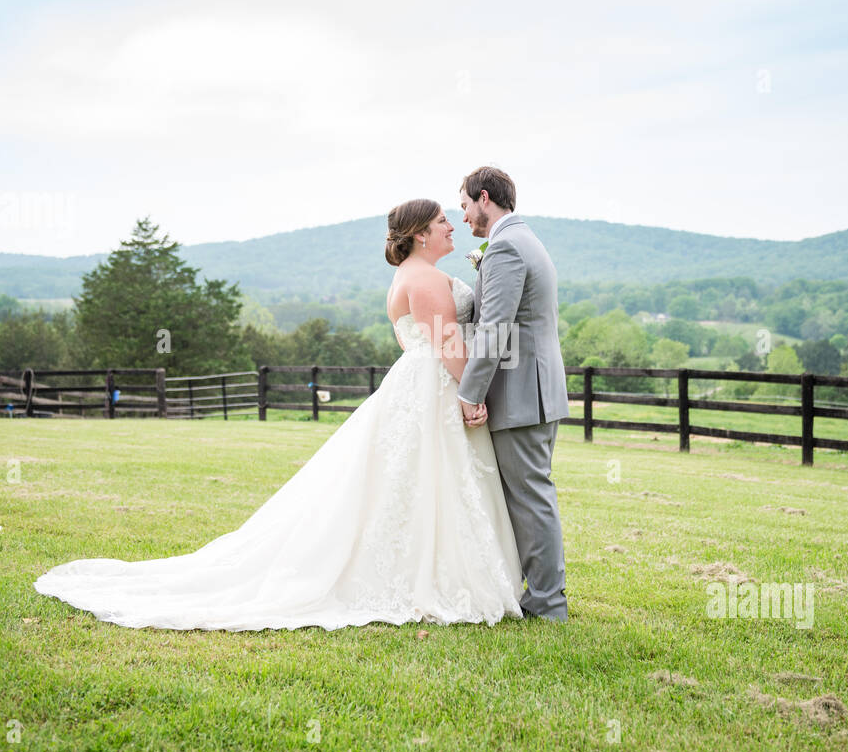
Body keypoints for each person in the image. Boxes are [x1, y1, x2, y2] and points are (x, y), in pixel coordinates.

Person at [34, 198, 525, 631]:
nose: (450, 227)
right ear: (421, 234)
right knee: (423, 480)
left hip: (411, 383)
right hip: (433, 386)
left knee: (404, 482)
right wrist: (470, 392)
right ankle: (431, 576)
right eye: (443, 221)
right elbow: (445, 343)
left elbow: (409, 339)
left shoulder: (405, 278)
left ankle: (418, 564)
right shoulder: (427, 278)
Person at [457, 166, 571, 621]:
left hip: (523, 393)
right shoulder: (526, 239)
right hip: (536, 388)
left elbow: (495, 329)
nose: (463, 216)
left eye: (464, 205)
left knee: (530, 497)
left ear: (484, 198)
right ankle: (539, 594)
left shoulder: (504, 246)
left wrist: (470, 392)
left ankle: (547, 603)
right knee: (530, 494)